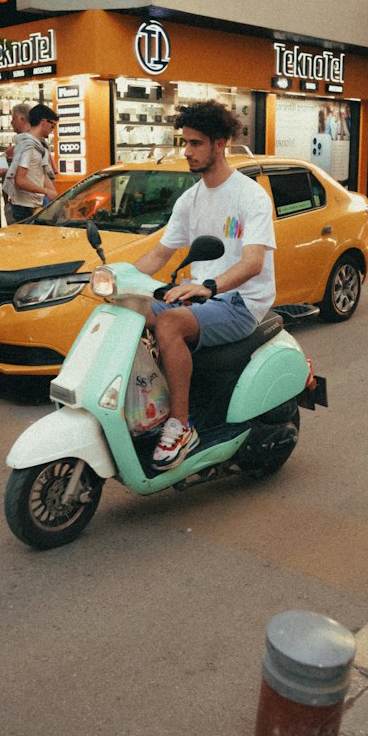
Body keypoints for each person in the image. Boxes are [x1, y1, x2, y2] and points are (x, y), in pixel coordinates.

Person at [133, 100, 276, 469]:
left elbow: (253, 261)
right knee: (128, 309)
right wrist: (118, 279)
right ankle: (148, 404)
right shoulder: (190, 199)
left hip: (240, 302)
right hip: (203, 298)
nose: (187, 152)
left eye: (196, 143)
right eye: (185, 143)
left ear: (219, 144)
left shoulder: (250, 195)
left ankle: (181, 425)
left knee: (168, 322)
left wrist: (210, 285)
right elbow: (160, 254)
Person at [5, 103, 59, 222]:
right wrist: (46, 191)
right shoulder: (29, 147)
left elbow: (43, 175)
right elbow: (20, 180)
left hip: (34, 205)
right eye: (53, 125)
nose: (52, 130)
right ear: (44, 122)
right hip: (24, 208)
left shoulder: (39, 146)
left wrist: (56, 198)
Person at [2, 103, 32, 223]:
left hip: (25, 204)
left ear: (22, 119)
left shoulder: (30, 144)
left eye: (13, 118)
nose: (11, 122)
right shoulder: (20, 144)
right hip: (17, 202)